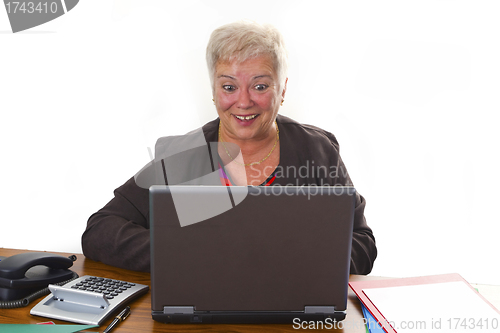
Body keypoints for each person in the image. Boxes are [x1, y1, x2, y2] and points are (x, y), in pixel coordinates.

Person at [82, 21, 377, 275]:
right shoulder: (184, 154)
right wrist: (189, 253)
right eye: (229, 87)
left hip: (291, 308)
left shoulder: (317, 150)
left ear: (282, 89)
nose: (244, 101)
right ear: (213, 90)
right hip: (199, 306)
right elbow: (100, 230)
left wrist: (294, 261)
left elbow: (362, 243)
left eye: (260, 86)